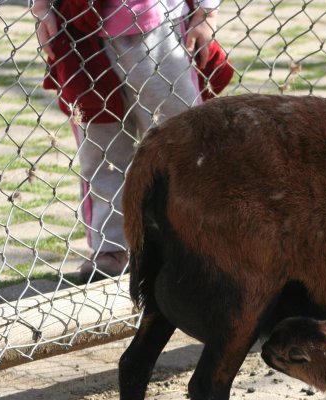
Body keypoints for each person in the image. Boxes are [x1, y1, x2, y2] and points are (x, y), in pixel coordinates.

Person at [31, 0, 231, 282]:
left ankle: (194, 240)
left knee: (182, 143)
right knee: (100, 148)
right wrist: (43, 11)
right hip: (82, 31)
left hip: (162, 29)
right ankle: (111, 246)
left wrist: (206, 11)